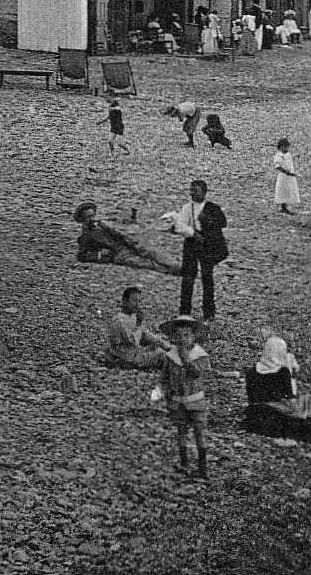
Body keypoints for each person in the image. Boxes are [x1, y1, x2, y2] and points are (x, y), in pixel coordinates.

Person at [242, 336, 311, 449]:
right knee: (310, 401)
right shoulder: (283, 372)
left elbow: (251, 399)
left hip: (257, 411)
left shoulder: (251, 372)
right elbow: (290, 399)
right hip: (279, 409)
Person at [157, 315, 212, 478]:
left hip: (196, 401)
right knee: (181, 431)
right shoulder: (171, 356)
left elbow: (196, 373)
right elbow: (164, 377)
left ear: (194, 336)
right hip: (177, 401)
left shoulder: (200, 355)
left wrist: (186, 359)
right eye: (179, 336)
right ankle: (184, 463)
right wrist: (164, 391)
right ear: (173, 337)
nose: (183, 339)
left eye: (187, 335)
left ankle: (203, 467)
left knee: (199, 432)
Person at [173, 180, 228, 321]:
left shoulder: (213, 208)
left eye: (196, 191)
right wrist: (192, 233)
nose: (192, 193)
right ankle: (185, 311)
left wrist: (208, 223)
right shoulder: (186, 208)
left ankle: (209, 312)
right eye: (191, 190)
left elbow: (222, 223)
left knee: (207, 278)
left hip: (207, 246)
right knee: (188, 277)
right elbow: (179, 226)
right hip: (191, 244)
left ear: (204, 192)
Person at [75, 200, 180, 273]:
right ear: (83, 220)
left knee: (153, 252)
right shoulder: (86, 235)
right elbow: (81, 256)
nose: (92, 219)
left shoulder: (102, 224)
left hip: (127, 245)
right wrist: (100, 255)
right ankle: (175, 271)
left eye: (93, 215)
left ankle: (177, 265)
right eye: (88, 217)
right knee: (145, 264)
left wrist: (134, 244)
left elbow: (120, 235)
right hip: (117, 255)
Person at [104, 286, 172, 369]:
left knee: (159, 345)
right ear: (125, 301)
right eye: (134, 300)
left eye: (139, 301)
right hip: (126, 356)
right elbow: (132, 341)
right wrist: (139, 323)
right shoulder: (119, 321)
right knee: (162, 354)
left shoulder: (132, 316)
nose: (137, 304)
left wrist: (163, 344)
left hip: (134, 352)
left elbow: (144, 334)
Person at [272, 137, 300, 213]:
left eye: (287, 146)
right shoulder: (279, 155)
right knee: (283, 191)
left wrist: (295, 156)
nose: (286, 148)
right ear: (280, 147)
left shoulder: (287, 154)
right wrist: (285, 171)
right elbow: (277, 166)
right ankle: (283, 206)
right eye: (285, 146)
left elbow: (289, 159)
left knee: (289, 190)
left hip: (289, 177)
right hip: (283, 177)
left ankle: (286, 206)